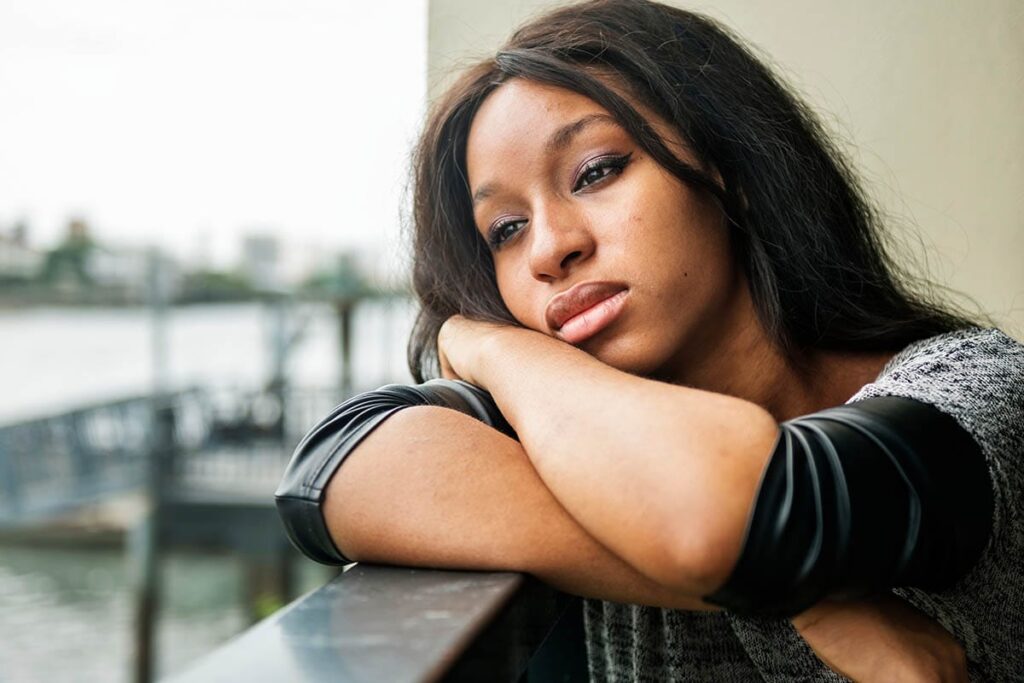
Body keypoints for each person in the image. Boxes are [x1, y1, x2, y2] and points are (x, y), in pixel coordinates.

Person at [275, 0, 1024, 680]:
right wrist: (811, 596)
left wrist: (483, 346)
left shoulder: (975, 391)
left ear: (728, 166)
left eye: (596, 171)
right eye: (505, 230)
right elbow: (331, 468)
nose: (547, 250)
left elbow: (727, 513)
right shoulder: (576, 429)